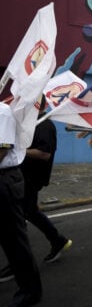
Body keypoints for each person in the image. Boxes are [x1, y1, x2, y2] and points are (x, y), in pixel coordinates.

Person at [0, 102, 42, 306]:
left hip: (4, 179)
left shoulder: (2, 111)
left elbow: (1, 150)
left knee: (14, 241)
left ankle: (30, 292)